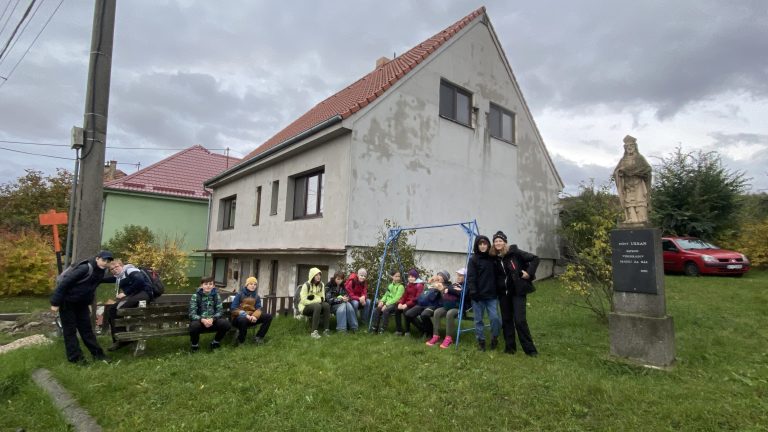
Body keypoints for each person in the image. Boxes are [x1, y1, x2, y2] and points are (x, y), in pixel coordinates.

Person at [50, 250, 114, 364]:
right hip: (67, 303)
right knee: (70, 331)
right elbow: (65, 283)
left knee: (87, 330)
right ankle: (76, 359)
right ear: (97, 258)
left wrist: (124, 274)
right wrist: (55, 303)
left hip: (82, 304)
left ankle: (98, 355)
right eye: (103, 260)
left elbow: (90, 287)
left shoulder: (100, 272)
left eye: (108, 261)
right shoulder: (85, 268)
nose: (105, 263)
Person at [492, 230, 540, 356]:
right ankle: (510, 348)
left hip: (517, 292)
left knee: (519, 320)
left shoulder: (515, 253)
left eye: (500, 240)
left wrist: (529, 273)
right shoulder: (495, 258)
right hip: (503, 294)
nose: (498, 243)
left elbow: (535, 259)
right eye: (496, 241)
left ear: (505, 242)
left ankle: (530, 350)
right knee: (507, 320)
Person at [105, 259, 154, 351]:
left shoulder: (130, 270)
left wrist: (125, 293)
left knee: (119, 309)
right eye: (112, 269)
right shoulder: (119, 277)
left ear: (121, 265)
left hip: (144, 293)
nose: (115, 269)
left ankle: (123, 339)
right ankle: (119, 339)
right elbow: (107, 279)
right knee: (112, 310)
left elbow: (140, 281)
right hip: (134, 295)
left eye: (116, 266)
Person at [466, 235, 501, 352]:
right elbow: (471, 277)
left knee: (495, 318)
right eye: (480, 244)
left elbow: (498, 275)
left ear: (488, 245)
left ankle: (494, 338)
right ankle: (481, 341)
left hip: (491, 296)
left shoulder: (493, 258)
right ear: (477, 245)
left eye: (485, 243)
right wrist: (474, 292)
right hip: (478, 297)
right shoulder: (473, 260)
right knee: (478, 320)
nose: (482, 246)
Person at [613, 135, 652, 224]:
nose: (629, 148)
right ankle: (632, 218)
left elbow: (647, 169)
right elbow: (616, 172)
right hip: (627, 185)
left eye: (631, 145)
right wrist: (620, 172)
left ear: (635, 146)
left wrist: (635, 172)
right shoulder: (623, 160)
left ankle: (642, 218)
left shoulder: (639, 158)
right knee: (629, 202)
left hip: (638, 184)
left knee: (640, 201)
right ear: (625, 148)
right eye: (627, 146)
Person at [427, 268, 468, 349]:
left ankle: (449, 338)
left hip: (458, 307)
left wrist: (450, 290)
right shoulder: (455, 284)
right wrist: (448, 290)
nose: (458, 277)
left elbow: (463, 294)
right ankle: (436, 335)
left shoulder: (467, 285)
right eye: (458, 275)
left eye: (461, 276)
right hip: (448, 305)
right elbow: (446, 291)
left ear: (466, 277)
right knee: (437, 312)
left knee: (450, 314)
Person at [188, 276, 231, 351]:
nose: (208, 286)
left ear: (213, 286)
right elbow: (192, 313)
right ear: (201, 285)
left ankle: (215, 342)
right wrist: (202, 320)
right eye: (206, 284)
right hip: (200, 322)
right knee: (194, 326)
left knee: (226, 324)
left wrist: (213, 319)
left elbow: (220, 311)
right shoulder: (195, 296)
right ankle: (195, 345)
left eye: (210, 284)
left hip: (212, 321)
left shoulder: (216, 296)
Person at [230, 276, 273, 345]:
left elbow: (259, 308)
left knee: (268, 316)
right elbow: (233, 309)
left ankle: (259, 337)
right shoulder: (239, 294)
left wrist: (255, 316)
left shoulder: (256, 296)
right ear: (247, 285)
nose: (253, 286)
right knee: (243, 319)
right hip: (238, 319)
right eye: (251, 284)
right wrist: (246, 315)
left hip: (251, 318)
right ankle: (240, 341)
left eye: (255, 284)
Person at [407, 271, 445, 339]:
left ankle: (430, 332)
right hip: (422, 304)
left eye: (436, 280)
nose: (433, 281)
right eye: (433, 280)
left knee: (424, 315)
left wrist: (439, 289)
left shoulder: (441, 287)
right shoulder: (428, 287)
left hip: (432, 305)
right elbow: (421, 296)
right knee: (408, 314)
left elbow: (440, 298)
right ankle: (423, 329)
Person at [299, 267, 331, 339]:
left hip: (315, 305)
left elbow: (323, 298)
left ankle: (326, 330)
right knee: (317, 306)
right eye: (316, 275)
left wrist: (314, 297)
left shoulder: (321, 285)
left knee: (326, 305)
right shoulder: (306, 285)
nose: (318, 277)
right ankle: (314, 332)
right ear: (312, 276)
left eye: (319, 275)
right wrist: (317, 299)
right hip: (305, 307)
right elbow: (304, 301)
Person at [394, 269, 423, 336]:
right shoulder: (408, 285)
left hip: (415, 304)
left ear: (416, 277)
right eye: (409, 277)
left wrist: (406, 305)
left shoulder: (419, 285)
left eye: (412, 277)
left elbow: (417, 299)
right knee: (397, 309)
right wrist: (400, 303)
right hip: (407, 303)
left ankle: (407, 331)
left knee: (405, 311)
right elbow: (404, 296)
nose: (410, 278)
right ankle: (399, 330)